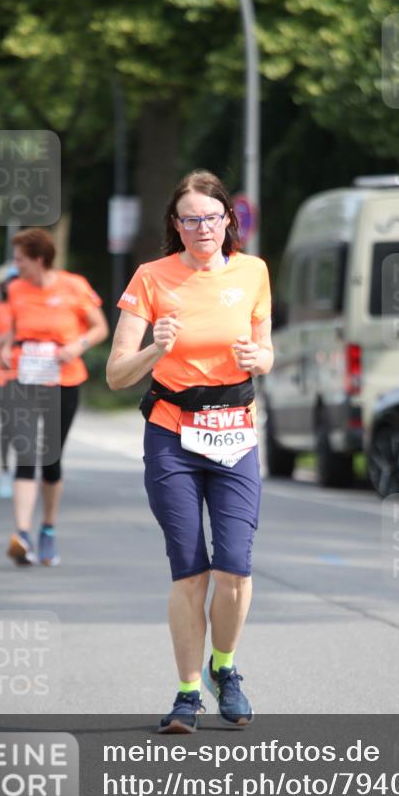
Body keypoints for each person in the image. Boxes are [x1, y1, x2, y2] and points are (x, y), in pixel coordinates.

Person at [107, 169, 273, 733]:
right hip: (172, 435)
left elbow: (266, 350)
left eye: (211, 217)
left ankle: (223, 668)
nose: (202, 228)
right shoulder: (152, 278)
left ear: (229, 220)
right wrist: (156, 348)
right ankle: (186, 694)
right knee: (190, 571)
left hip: (235, 434)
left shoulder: (252, 272)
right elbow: (115, 374)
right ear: (175, 225)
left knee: (235, 569)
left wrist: (259, 360)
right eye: (190, 219)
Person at [1, 228, 109, 567]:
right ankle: (22, 534)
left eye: (20, 259)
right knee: (25, 453)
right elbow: (12, 328)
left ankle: (47, 528)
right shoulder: (15, 289)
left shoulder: (73, 286)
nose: (16, 266)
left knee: (50, 458)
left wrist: (77, 346)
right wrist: (5, 349)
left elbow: (100, 327)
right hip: (25, 379)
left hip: (64, 379)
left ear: (39, 259)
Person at [0, 267, 17, 499]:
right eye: (11, 281)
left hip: (27, 375)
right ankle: (5, 470)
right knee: (8, 424)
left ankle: (23, 470)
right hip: (1, 376)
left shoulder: (29, 308)